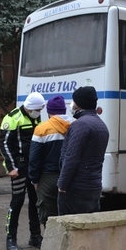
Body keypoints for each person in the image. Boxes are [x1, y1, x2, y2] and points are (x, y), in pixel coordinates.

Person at [0, 92, 45, 250]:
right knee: (17, 202)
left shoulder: (36, 117)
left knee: (35, 203)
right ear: (30, 107)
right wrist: (11, 167)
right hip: (18, 167)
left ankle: (35, 236)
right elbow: (4, 145)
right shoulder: (12, 118)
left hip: (33, 167)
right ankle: (11, 238)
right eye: (38, 109)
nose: (40, 111)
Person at [57, 87, 109, 215]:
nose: (72, 104)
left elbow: (71, 158)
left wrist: (62, 185)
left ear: (79, 104)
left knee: (69, 228)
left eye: (74, 101)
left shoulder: (81, 125)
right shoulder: (102, 125)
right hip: (94, 186)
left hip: (77, 188)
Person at [29, 95, 73, 227]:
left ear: (48, 112)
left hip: (47, 179)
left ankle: (52, 246)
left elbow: (34, 158)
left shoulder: (42, 129)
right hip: (70, 179)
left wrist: (34, 180)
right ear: (64, 110)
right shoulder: (75, 126)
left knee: (49, 219)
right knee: (68, 217)